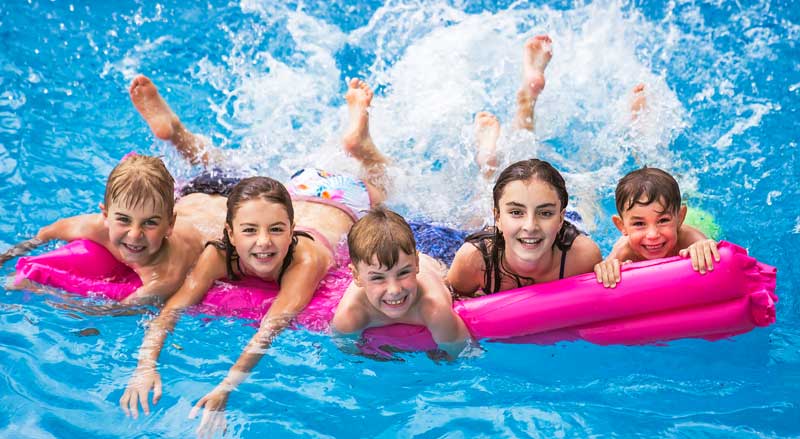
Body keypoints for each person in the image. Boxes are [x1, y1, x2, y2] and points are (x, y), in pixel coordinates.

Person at [119, 75, 390, 435]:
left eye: (277, 232)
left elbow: (269, 328)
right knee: (234, 180)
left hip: (345, 198)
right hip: (295, 189)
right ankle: (178, 134)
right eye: (250, 232)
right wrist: (145, 366)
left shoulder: (304, 260)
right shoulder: (219, 253)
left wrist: (225, 389)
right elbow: (172, 309)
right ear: (229, 233)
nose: (264, 243)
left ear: (291, 231)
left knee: (386, 184)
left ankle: (361, 142)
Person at [0, 154, 227, 304]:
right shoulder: (93, 226)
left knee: (219, 163)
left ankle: (176, 132)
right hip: (190, 194)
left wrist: (42, 290)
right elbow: (43, 235)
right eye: (124, 220)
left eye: (150, 223)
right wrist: (6, 257)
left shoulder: (165, 275)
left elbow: (116, 311)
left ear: (170, 226)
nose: (134, 234)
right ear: (106, 215)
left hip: (224, 204)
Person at [447, 158, 602, 296]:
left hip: (567, 227)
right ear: (498, 217)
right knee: (471, 219)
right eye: (516, 212)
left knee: (587, 214)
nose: (530, 226)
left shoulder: (582, 257)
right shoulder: (474, 260)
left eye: (545, 213)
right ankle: (487, 166)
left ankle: (586, 185)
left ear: (560, 218)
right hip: (505, 235)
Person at [332, 207, 470, 357]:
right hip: (402, 246)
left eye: (404, 273)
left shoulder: (434, 308)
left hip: (438, 248)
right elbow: (349, 361)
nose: (394, 290)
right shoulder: (350, 315)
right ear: (356, 276)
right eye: (377, 278)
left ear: (416, 264)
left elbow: (463, 356)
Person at [593, 167, 719, 288]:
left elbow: (710, 249)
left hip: (699, 220)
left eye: (663, 220)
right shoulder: (624, 252)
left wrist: (703, 246)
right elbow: (605, 269)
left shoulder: (687, 238)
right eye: (639, 224)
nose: (653, 235)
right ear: (622, 226)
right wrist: (607, 267)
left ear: (680, 218)